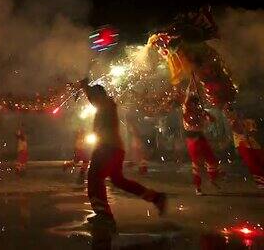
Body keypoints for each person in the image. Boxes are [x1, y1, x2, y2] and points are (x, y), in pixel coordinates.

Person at [78, 79, 166, 230]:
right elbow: (94, 99)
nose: (92, 99)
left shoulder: (106, 104)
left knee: (95, 177)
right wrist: (86, 88)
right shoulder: (106, 105)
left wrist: (85, 87)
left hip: (107, 148)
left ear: (100, 95)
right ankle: (156, 197)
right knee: (118, 180)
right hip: (115, 148)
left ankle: (103, 215)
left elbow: (94, 98)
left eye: (94, 95)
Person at [182, 76, 222, 195]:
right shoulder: (186, 109)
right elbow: (188, 94)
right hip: (192, 139)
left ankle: (213, 179)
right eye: (193, 103)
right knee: (197, 164)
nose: (195, 105)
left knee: (212, 160)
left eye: (196, 104)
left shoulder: (200, 111)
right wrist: (191, 80)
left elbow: (213, 120)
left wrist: (207, 115)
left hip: (201, 137)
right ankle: (198, 187)